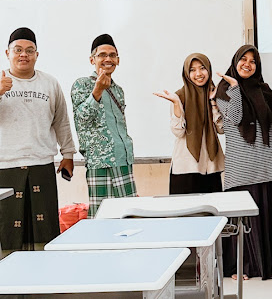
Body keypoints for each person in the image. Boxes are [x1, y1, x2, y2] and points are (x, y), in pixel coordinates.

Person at [0, 27, 76, 255]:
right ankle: (8, 285)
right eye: (18, 50)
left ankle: (44, 282)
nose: (24, 55)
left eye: (29, 50)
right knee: (8, 231)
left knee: (45, 230)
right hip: (6, 166)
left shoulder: (49, 83)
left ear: (37, 54)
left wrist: (68, 154)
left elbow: (61, 120)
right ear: (7, 53)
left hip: (42, 165)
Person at [215, 45, 272, 280]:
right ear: (235, 61)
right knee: (243, 218)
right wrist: (235, 89)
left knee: (265, 214)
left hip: (266, 161)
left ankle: (264, 264)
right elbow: (234, 119)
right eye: (243, 59)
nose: (247, 64)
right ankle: (239, 266)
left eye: (253, 61)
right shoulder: (224, 89)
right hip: (241, 166)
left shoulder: (264, 90)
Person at [71, 34, 137, 218]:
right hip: (100, 161)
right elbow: (82, 119)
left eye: (112, 55)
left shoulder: (118, 90)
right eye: (102, 55)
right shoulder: (82, 85)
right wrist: (97, 90)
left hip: (123, 160)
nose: (108, 59)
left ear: (118, 60)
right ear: (92, 60)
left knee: (129, 216)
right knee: (102, 219)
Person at [153, 53, 224, 194]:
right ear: (186, 73)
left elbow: (221, 129)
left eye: (202, 68)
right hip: (185, 168)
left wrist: (213, 102)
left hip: (210, 167)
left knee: (213, 213)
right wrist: (177, 105)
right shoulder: (179, 96)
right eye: (192, 70)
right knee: (186, 214)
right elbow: (178, 132)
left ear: (209, 70)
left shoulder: (215, 94)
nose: (198, 73)